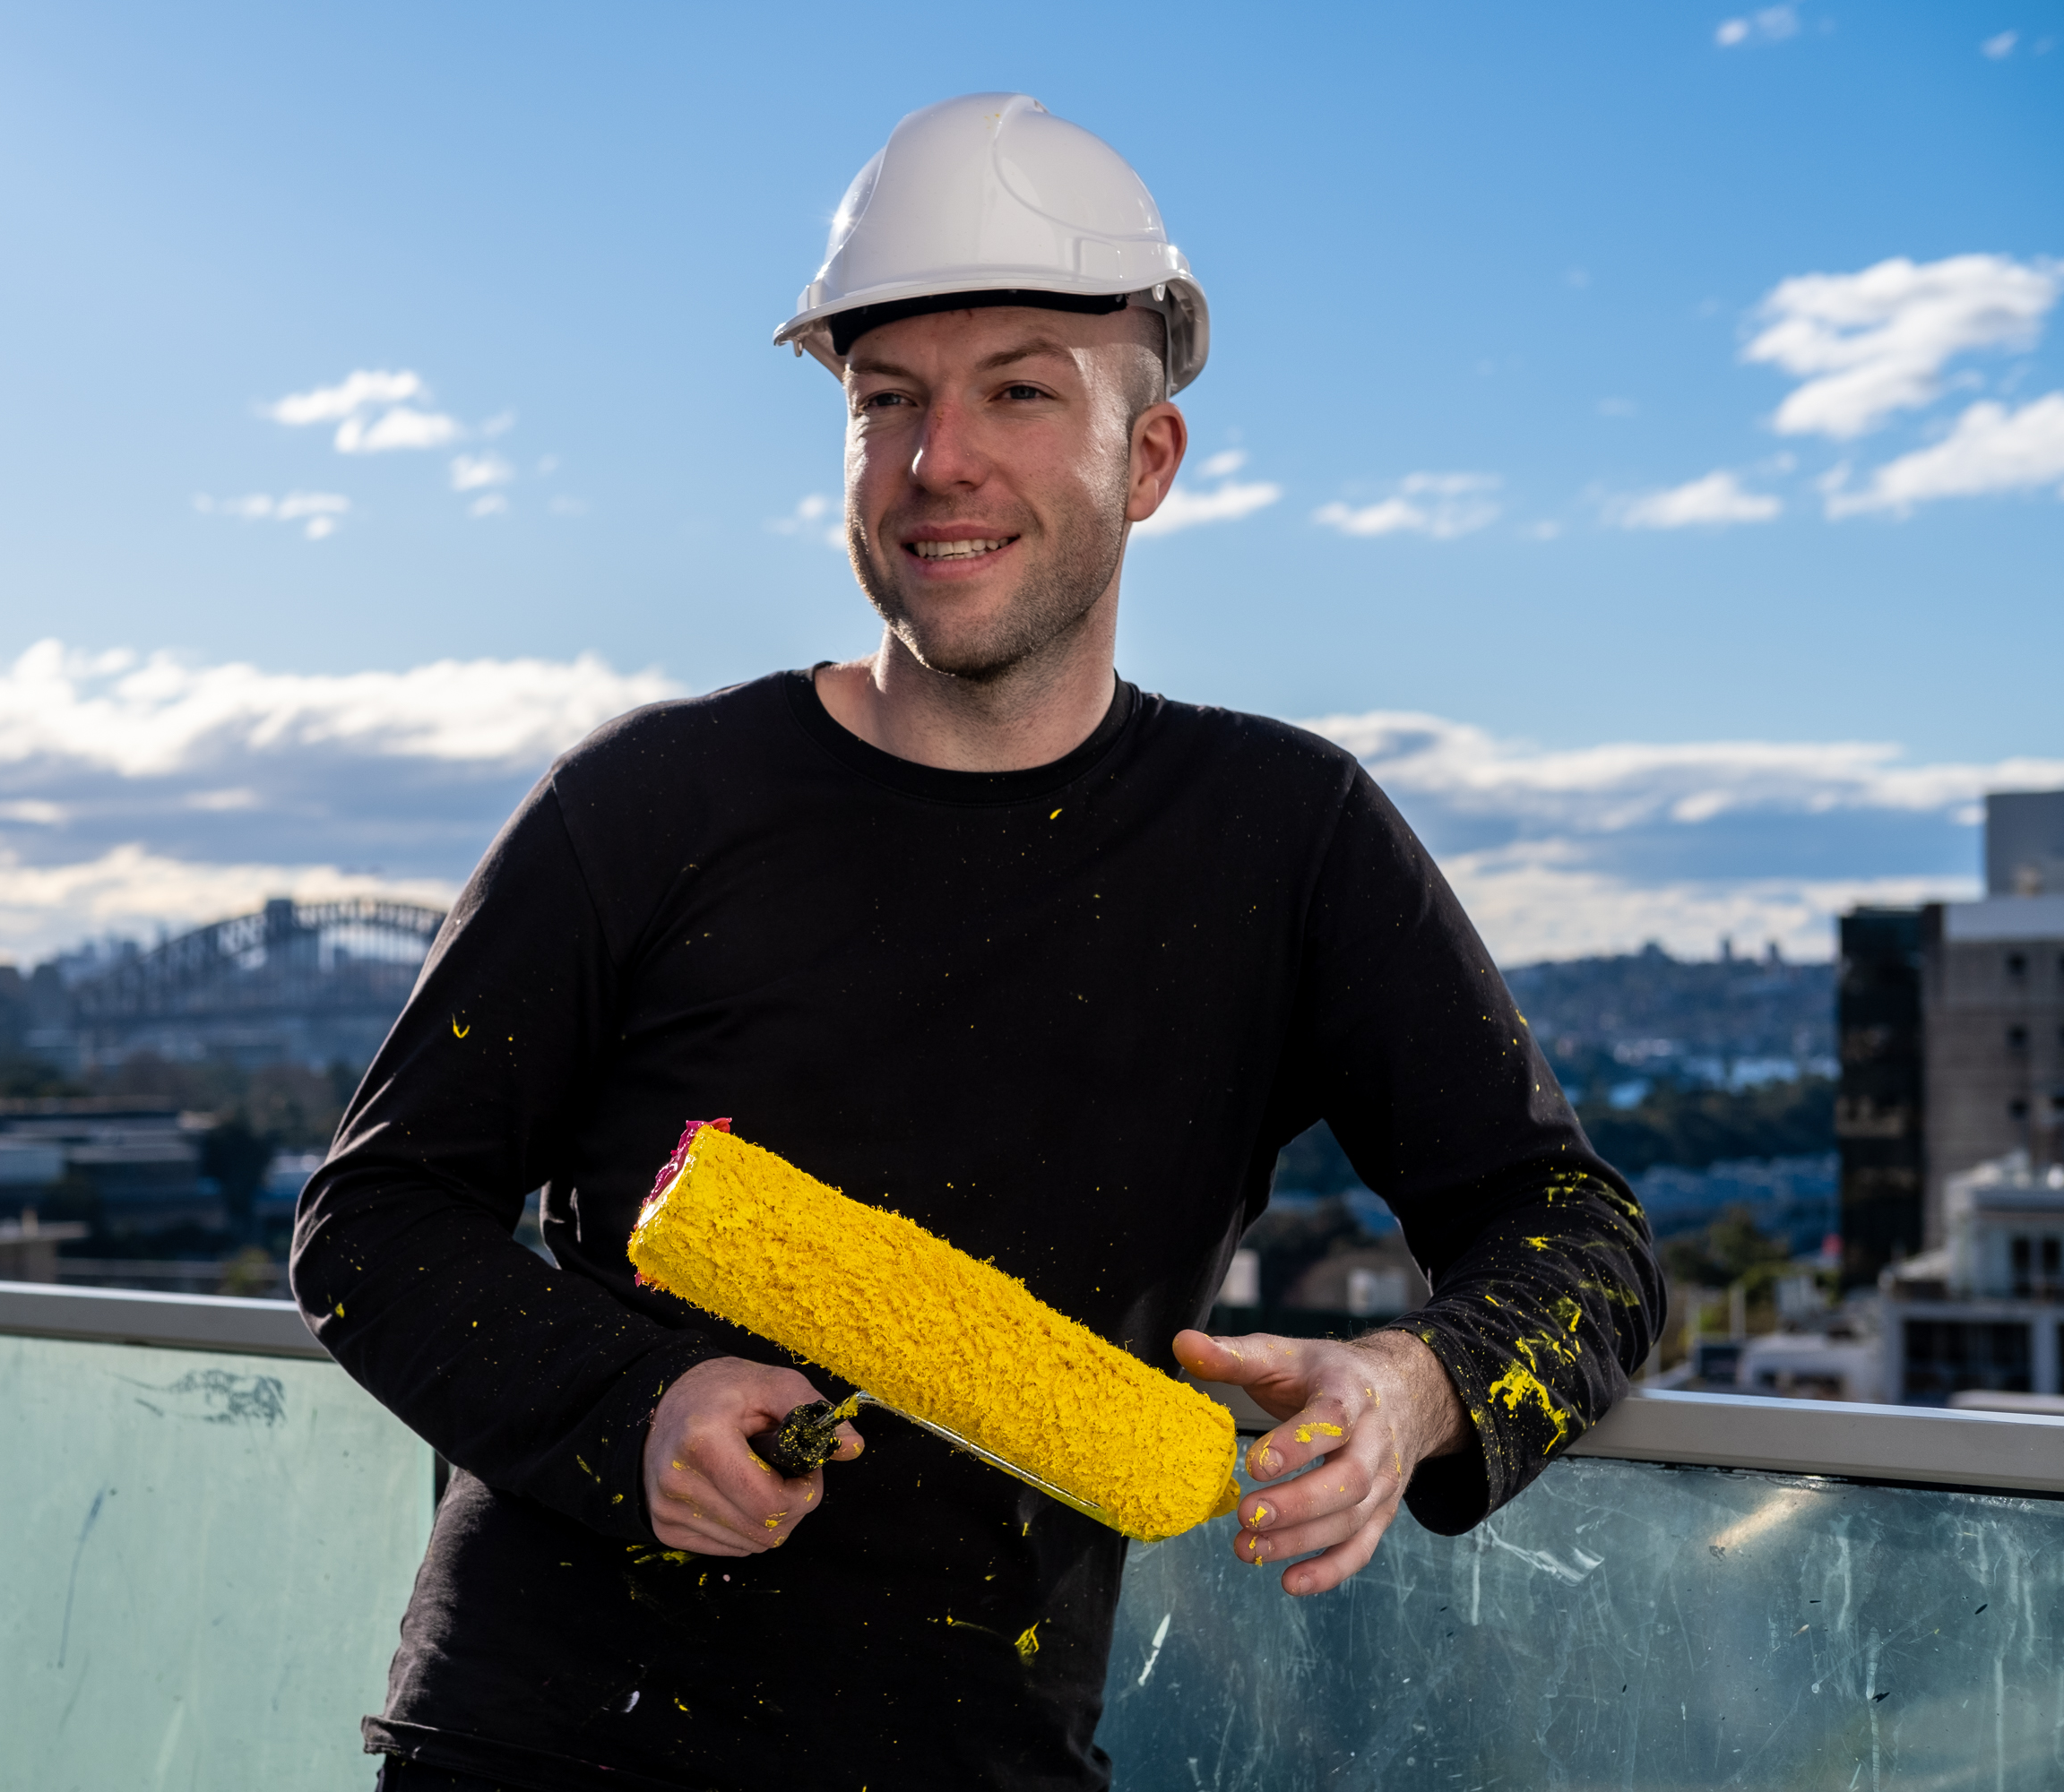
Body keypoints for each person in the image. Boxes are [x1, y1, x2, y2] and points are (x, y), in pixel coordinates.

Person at [296, 92, 1662, 1792]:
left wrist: (1417, 1386)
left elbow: (1580, 1239)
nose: (942, 460)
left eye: (1022, 390)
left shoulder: (1286, 841)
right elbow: (370, 1220)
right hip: (543, 1747)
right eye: (888, 403)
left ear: (1145, 459)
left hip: (981, 1757)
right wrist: (630, 1411)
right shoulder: (643, 804)